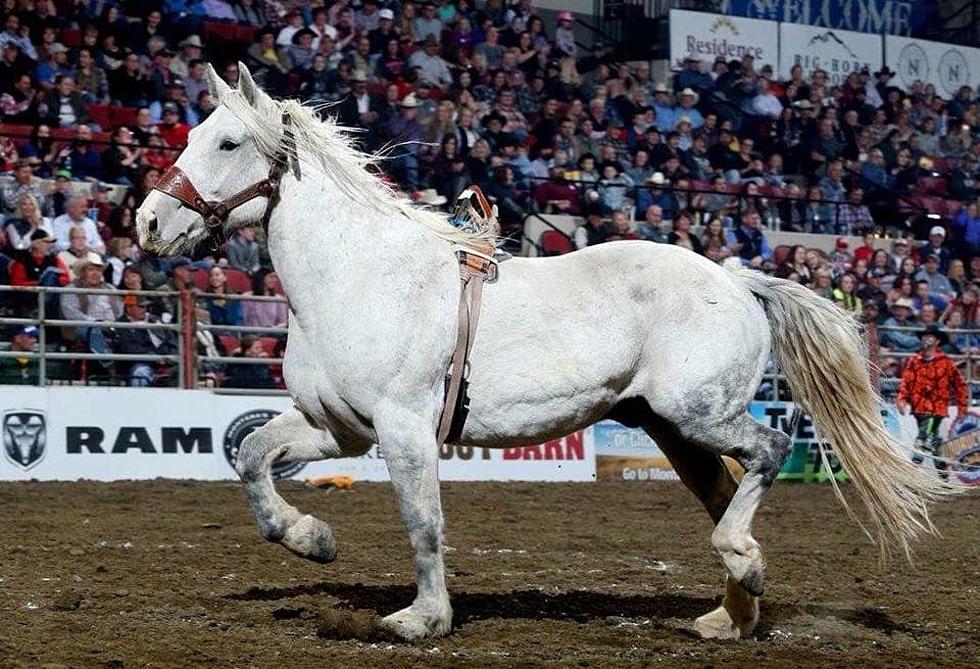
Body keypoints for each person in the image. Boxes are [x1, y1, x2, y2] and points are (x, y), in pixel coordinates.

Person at [897, 324, 969, 480]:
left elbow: (960, 385)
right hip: (918, 408)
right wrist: (901, 399)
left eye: (930, 336)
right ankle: (944, 478)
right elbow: (906, 382)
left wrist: (962, 408)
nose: (926, 339)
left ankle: (910, 479)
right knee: (934, 442)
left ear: (937, 341)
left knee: (921, 440)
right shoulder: (914, 361)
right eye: (924, 336)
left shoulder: (946, 362)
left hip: (936, 409)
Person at [59, 257, 122, 360]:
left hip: (112, 326)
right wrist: (98, 323)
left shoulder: (110, 288)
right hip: (83, 327)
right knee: (94, 332)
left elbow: (120, 309)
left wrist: (114, 324)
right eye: (91, 270)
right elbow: (72, 314)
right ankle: (110, 365)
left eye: (98, 270)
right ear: (82, 272)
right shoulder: (71, 289)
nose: (95, 273)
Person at [115, 298, 177, 387]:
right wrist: (155, 358)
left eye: (146, 307)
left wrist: (168, 356)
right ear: (128, 308)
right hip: (141, 363)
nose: (144, 310)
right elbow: (129, 349)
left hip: (166, 360)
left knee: (188, 368)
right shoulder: (121, 325)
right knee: (140, 372)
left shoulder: (154, 320)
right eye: (140, 307)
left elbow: (171, 340)